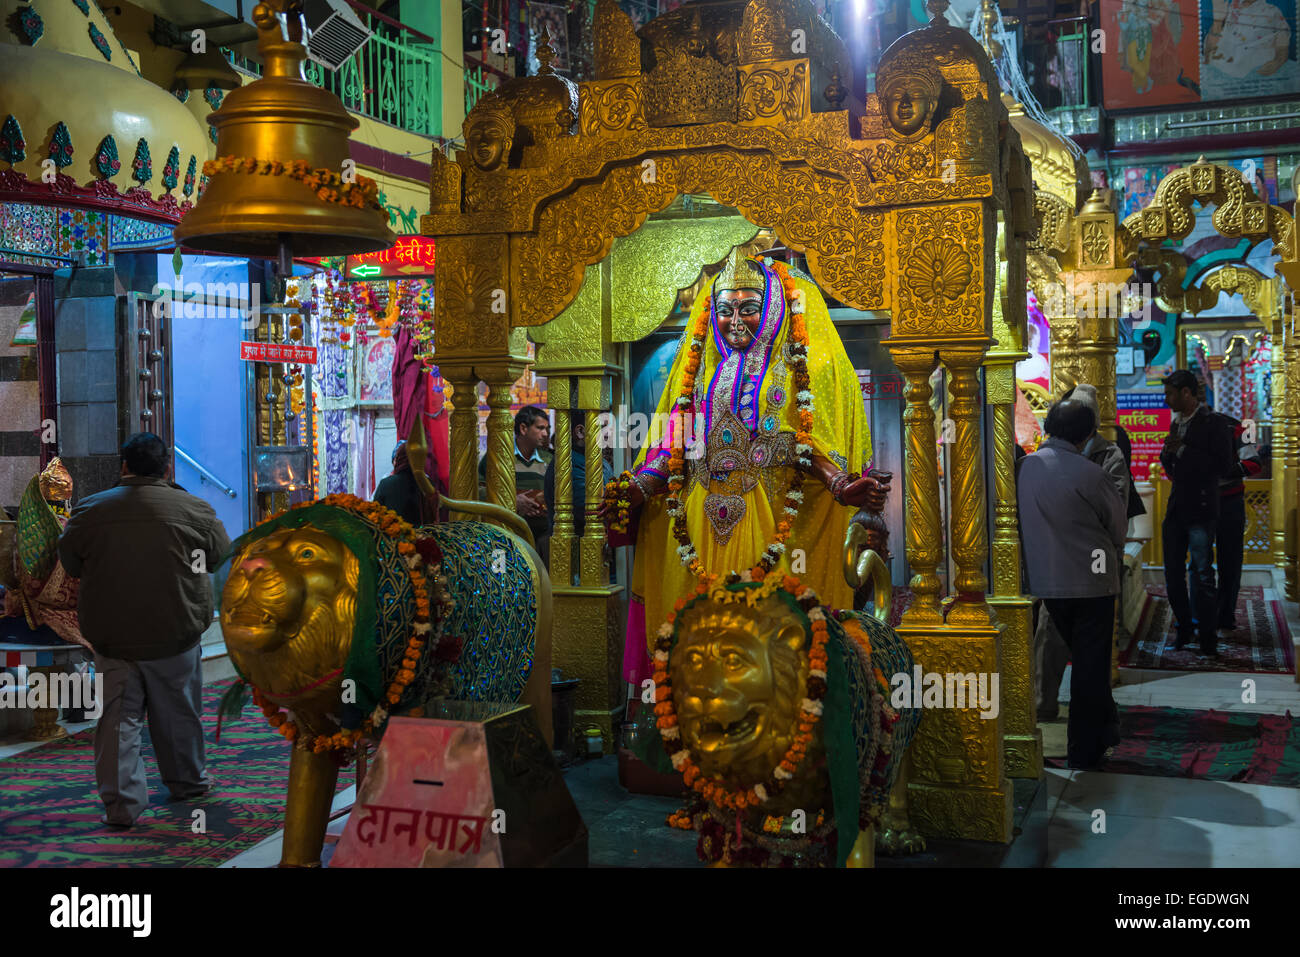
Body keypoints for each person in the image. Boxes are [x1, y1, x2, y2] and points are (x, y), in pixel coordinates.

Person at [599, 249, 887, 683]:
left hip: (769, 523)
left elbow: (803, 447)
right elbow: (671, 450)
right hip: (697, 524)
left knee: (768, 640)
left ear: (770, 309)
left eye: (749, 309)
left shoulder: (793, 371)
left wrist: (840, 484)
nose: (736, 321)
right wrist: (638, 487)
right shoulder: (692, 374)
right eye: (726, 310)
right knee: (699, 637)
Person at [58, 433, 231, 828]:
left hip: (113, 636)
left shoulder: (90, 511)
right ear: (168, 468)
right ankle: (187, 782)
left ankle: (121, 805)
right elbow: (220, 555)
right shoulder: (194, 509)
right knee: (179, 716)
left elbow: (70, 562)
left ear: (123, 466)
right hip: (176, 630)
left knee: (118, 722)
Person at [1018, 399, 1127, 769]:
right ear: (1087, 434)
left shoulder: (1023, 469)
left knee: (1082, 663)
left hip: (1047, 582)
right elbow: (1117, 526)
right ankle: (1084, 751)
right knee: (1089, 668)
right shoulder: (1089, 473)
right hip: (1092, 584)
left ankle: (1106, 728)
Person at [1034, 383, 1143, 722]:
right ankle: (1045, 705)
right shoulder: (1044, 456)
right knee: (1048, 638)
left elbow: (1115, 514)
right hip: (1057, 564)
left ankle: (1089, 723)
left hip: (1092, 568)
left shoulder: (1108, 455)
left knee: (1090, 651)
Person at [1160, 370, 1235, 655]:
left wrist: (1182, 451)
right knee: (1173, 574)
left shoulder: (1213, 424)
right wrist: (1169, 454)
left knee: (1202, 574)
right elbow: (1173, 470)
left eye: (1170, 394)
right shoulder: (1177, 424)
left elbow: (1222, 466)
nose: (1167, 400)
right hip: (1177, 507)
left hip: (1202, 509)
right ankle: (1183, 630)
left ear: (1187, 393)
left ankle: (1207, 637)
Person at [479, 405, 552, 563]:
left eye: (547, 429)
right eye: (540, 428)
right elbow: (478, 490)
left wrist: (545, 498)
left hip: (543, 536)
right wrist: (513, 500)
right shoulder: (498, 458)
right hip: (506, 535)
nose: (545, 434)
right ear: (523, 428)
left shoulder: (549, 459)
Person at [1212, 413, 1263, 636]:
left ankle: (1224, 618)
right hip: (1198, 503)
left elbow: (1253, 463)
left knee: (1229, 563)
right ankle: (1202, 617)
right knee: (1198, 566)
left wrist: (1224, 471)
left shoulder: (1234, 429)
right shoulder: (1187, 429)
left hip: (1229, 502)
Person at [543, 420, 615, 539]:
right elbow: (590, 511)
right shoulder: (568, 463)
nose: (609, 434)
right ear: (580, 432)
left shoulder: (600, 461)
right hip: (576, 545)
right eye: (603, 428)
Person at [374, 441, 444, 526]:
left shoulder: (385, 484)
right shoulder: (427, 484)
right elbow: (434, 516)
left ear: (399, 459)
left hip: (392, 537)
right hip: (423, 537)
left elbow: (375, 515)